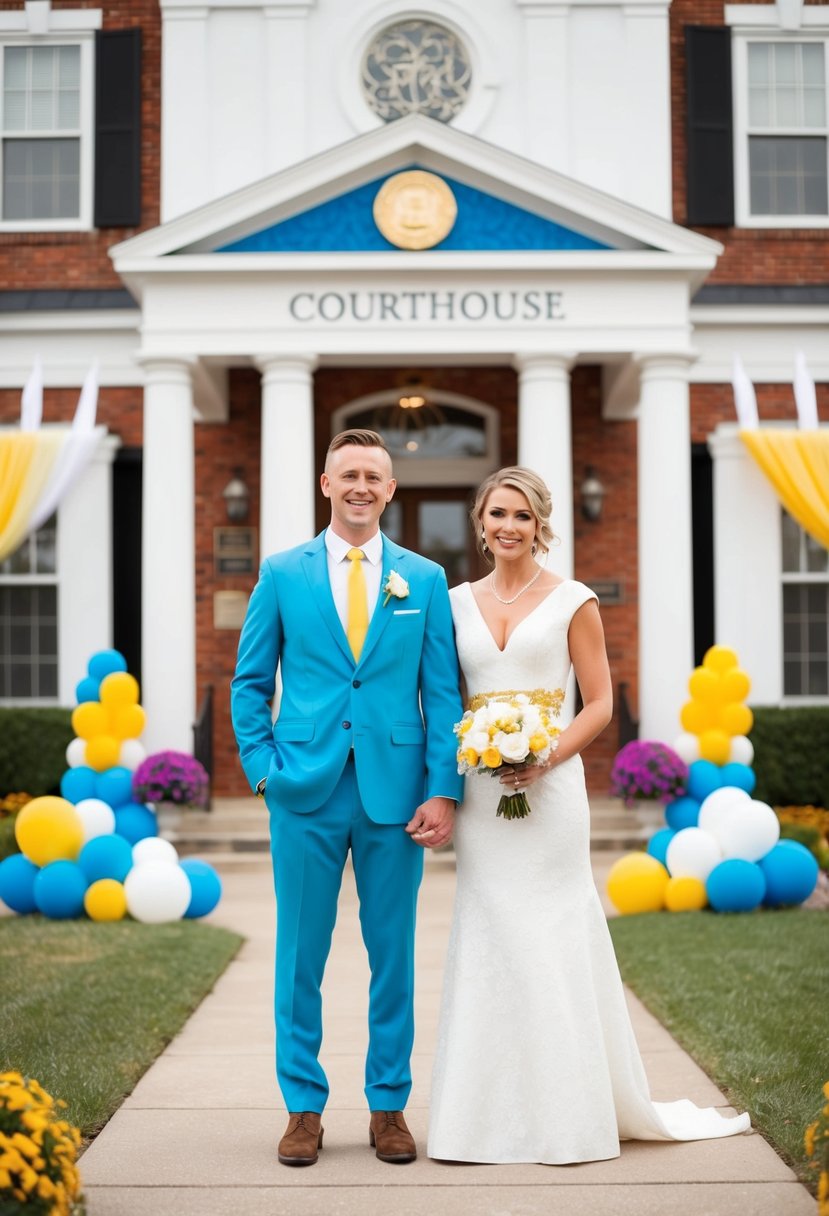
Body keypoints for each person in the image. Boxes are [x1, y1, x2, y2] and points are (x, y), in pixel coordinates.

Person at [427, 466, 750, 1164]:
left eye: (519, 515)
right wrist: (460, 766)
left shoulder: (573, 599)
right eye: (495, 514)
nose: (506, 526)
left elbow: (599, 701)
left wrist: (543, 757)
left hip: (550, 792)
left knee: (550, 938)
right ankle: (475, 1122)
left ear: (539, 522)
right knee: (490, 936)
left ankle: (569, 1116)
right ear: (479, 523)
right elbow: (444, 697)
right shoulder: (451, 602)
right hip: (483, 793)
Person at [231, 428, 463, 1167]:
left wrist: (442, 790)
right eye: (348, 474)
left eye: (375, 475)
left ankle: (388, 1106)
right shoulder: (281, 573)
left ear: (390, 490)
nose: (361, 486)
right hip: (303, 789)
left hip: (395, 799)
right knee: (300, 955)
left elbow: (442, 691)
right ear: (325, 485)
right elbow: (248, 682)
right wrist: (264, 769)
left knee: (391, 955)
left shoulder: (422, 580)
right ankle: (302, 1108)